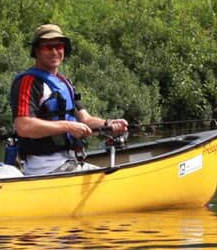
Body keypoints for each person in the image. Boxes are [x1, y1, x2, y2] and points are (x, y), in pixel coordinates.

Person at [9, 23, 129, 176]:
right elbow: (23, 127)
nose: (54, 52)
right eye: (48, 47)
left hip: (69, 162)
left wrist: (108, 124)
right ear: (37, 51)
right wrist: (68, 126)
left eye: (58, 46)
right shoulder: (28, 82)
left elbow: (85, 119)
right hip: (44, 168)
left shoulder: (64, 83)